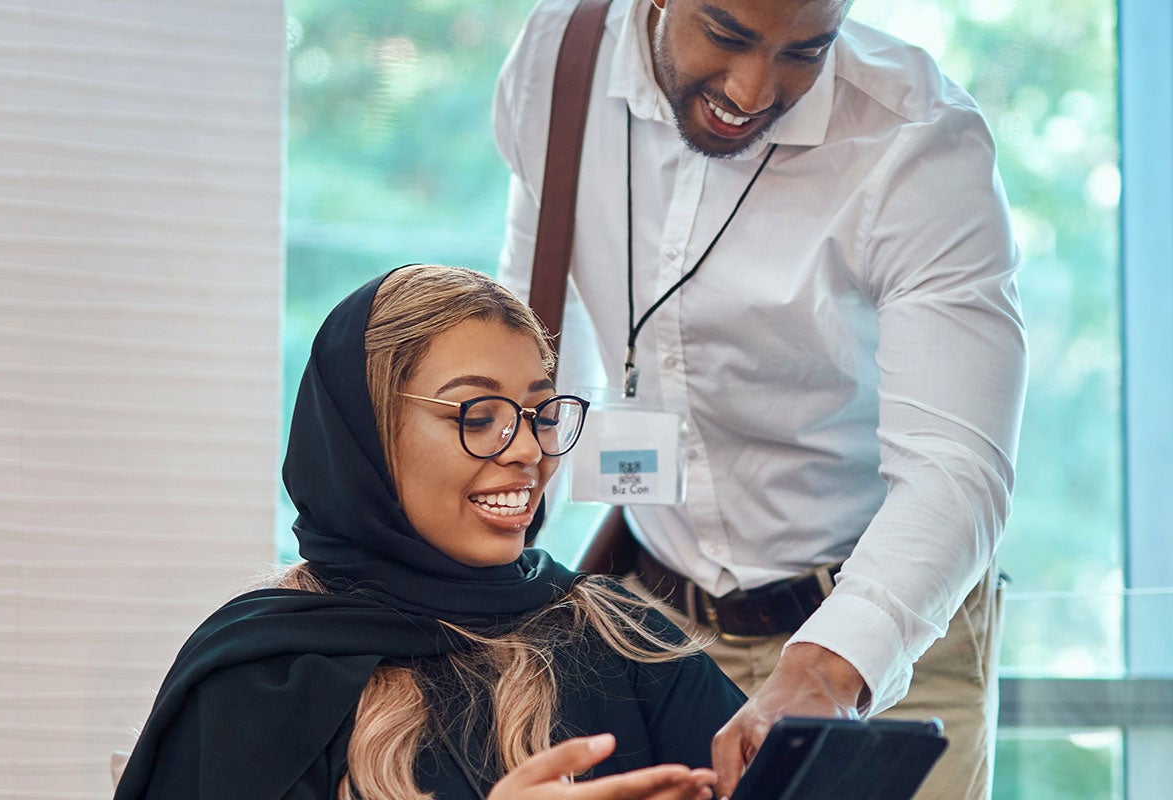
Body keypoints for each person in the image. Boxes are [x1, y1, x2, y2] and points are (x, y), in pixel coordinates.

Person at [494, 0, 1027, 798]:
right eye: (728, 34)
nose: (753, 88)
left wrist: (825, 668)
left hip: (879, 631)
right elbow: (537, 327)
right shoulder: (560, 57)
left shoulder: (919, 140)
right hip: (651, 625)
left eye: (805, 50)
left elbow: (956, 468)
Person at [114, 265, 744, 800]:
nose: (528, 449)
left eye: (540, 412)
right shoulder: (261, 678)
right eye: (480, 414)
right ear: (364, 435)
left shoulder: (623, 641)